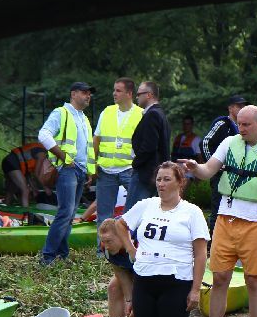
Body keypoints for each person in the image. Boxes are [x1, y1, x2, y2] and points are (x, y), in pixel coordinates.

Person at [179, 105, 257, 317]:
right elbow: (208, 171)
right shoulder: (229, 143)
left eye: (247, 124)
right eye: (239, 123)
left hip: (256, 223)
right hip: (225, 220)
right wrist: (195, 167)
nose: (242, 128)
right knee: (219, 277)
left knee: (254, 280)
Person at [118, 162, 209, 317]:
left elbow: (201, 253)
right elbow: (120, 225)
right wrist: (131, 250)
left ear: (180, 183)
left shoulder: (191, 212)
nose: (161, 184)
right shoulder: (145, 205)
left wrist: (195, 288)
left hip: (176, 282)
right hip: (145, 280)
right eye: (158, 179)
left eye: (167, 179)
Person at [38, 82, 96, 265]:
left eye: (89, 93)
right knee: (65, 212)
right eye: (85, 92)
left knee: (69, 215)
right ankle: (47, 256)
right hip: (67, 170)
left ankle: (62, 255)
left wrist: (89, 170)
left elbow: (86, 148)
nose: (88, 96)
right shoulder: (61, 113)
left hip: (78, 170)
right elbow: (43, 135)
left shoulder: (84, 118)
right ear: (73, 94)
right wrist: (64, 158)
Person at [94, 78, 143, 233]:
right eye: (114, 90)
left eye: (118, 90)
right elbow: (97, 139)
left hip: (129, 169)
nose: (114, 93)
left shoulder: (141, 114)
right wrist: (92, 164)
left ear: (129, 94)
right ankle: (102, 252)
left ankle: (133, 248)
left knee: (135, 211)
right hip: (105, 169)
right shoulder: (107, 112)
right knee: (103, 215)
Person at [200, 96, 245, 239]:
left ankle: (229, 241)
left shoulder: (243, 127)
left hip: (236, 175)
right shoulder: (222, 123)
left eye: (243, 106)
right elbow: (205, 142)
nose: (241, 108)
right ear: (230, 108)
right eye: (238, 106)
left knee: (233, 209)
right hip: (220, 174)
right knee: (218, 208)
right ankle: (213, 241)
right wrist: (213, 165)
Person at [128, 81, 171, 208]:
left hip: (145, 174)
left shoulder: (152, 114)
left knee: (132, 217)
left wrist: (135, 164)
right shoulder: (161, 114)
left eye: (138, 94)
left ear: (148, 95)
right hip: (155, 174)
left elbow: (149, 146)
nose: (136, 97)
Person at [98, 219, 134, 317]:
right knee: (113, 288)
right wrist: (129, 300)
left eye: (109, 241)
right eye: (103, 241)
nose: (107, 246)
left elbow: (146, 281)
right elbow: (120, 272)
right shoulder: (106, 248)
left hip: (154, 274)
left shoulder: (138, 245)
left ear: (122, 236)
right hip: (131, 270)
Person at [1, 140, 49, 207]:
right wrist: (46, 188)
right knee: (25, 190)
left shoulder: (39, 151)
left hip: (7, 162)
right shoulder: (42, 154)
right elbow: (36, 174)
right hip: (12, 163)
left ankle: (6, 206)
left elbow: (27, 174)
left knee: (11, 189)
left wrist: (34, 189)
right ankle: (26, 213)